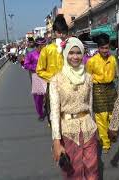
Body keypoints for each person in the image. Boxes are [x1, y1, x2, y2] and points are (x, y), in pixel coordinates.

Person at [50, 37, 99, 179]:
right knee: (73, 171)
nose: (75, 57)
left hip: (88, 128)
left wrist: (94, 124)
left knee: (92, 168)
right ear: (65, 54)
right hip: (68, 130)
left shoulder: (88, 78)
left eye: (78, 53)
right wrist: (56, 141)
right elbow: (54, 112)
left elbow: (90, 105)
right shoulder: (56, 79)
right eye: (71, 53)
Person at [86, 33, 118, 153]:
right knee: (101, 117)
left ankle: (111, 133)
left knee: (112, 115)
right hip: (98, 90)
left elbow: (116, 75)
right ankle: (105, 142)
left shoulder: (113, 59)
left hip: (111, 88)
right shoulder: (91, 61)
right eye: (102, 48)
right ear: (98, 48)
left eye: (107, 48)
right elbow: (88, 79)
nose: (105, 50)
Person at [36, 14, 67, 126]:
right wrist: (53, 78)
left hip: (69, 86)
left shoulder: (70, 48)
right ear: (54, 32)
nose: (62, 35)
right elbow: (39, 70)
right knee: (54, 115)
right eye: (59, 32)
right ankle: (56, 140)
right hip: (53, 86)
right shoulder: (47, 50)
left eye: (64, 32)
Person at [23, 37, 47, 121]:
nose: (44, 47)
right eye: (42, 46)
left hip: (48, 76)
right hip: (37, 77)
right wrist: (35, 67)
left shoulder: (48, 53)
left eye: (45, 45)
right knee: (38, 98)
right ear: (38, 46)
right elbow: (26, 65)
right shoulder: (31, 54)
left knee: (50, 96)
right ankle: (40, 113)